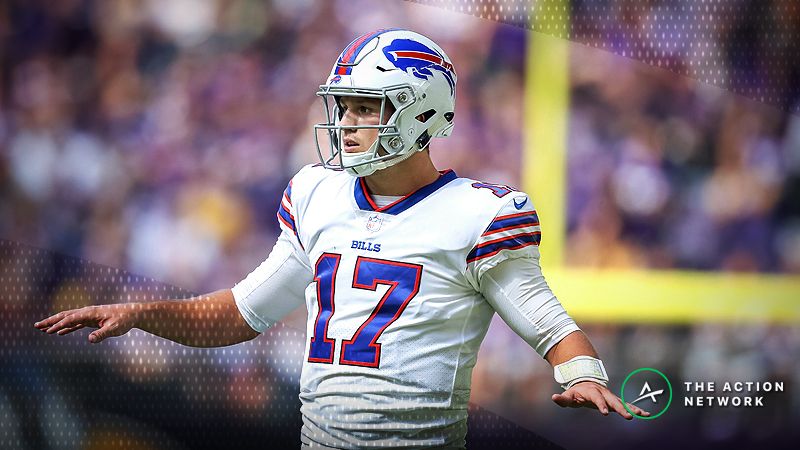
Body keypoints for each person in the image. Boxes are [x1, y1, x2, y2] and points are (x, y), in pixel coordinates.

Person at [35, 29, 649, 448]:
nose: (346, 123)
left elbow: (551, 326)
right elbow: (241, 314)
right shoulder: (316, 194)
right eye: (343, 107)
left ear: (421, 112)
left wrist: (582, 373)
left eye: (365, 107)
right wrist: (145, 314)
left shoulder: (479, 214)